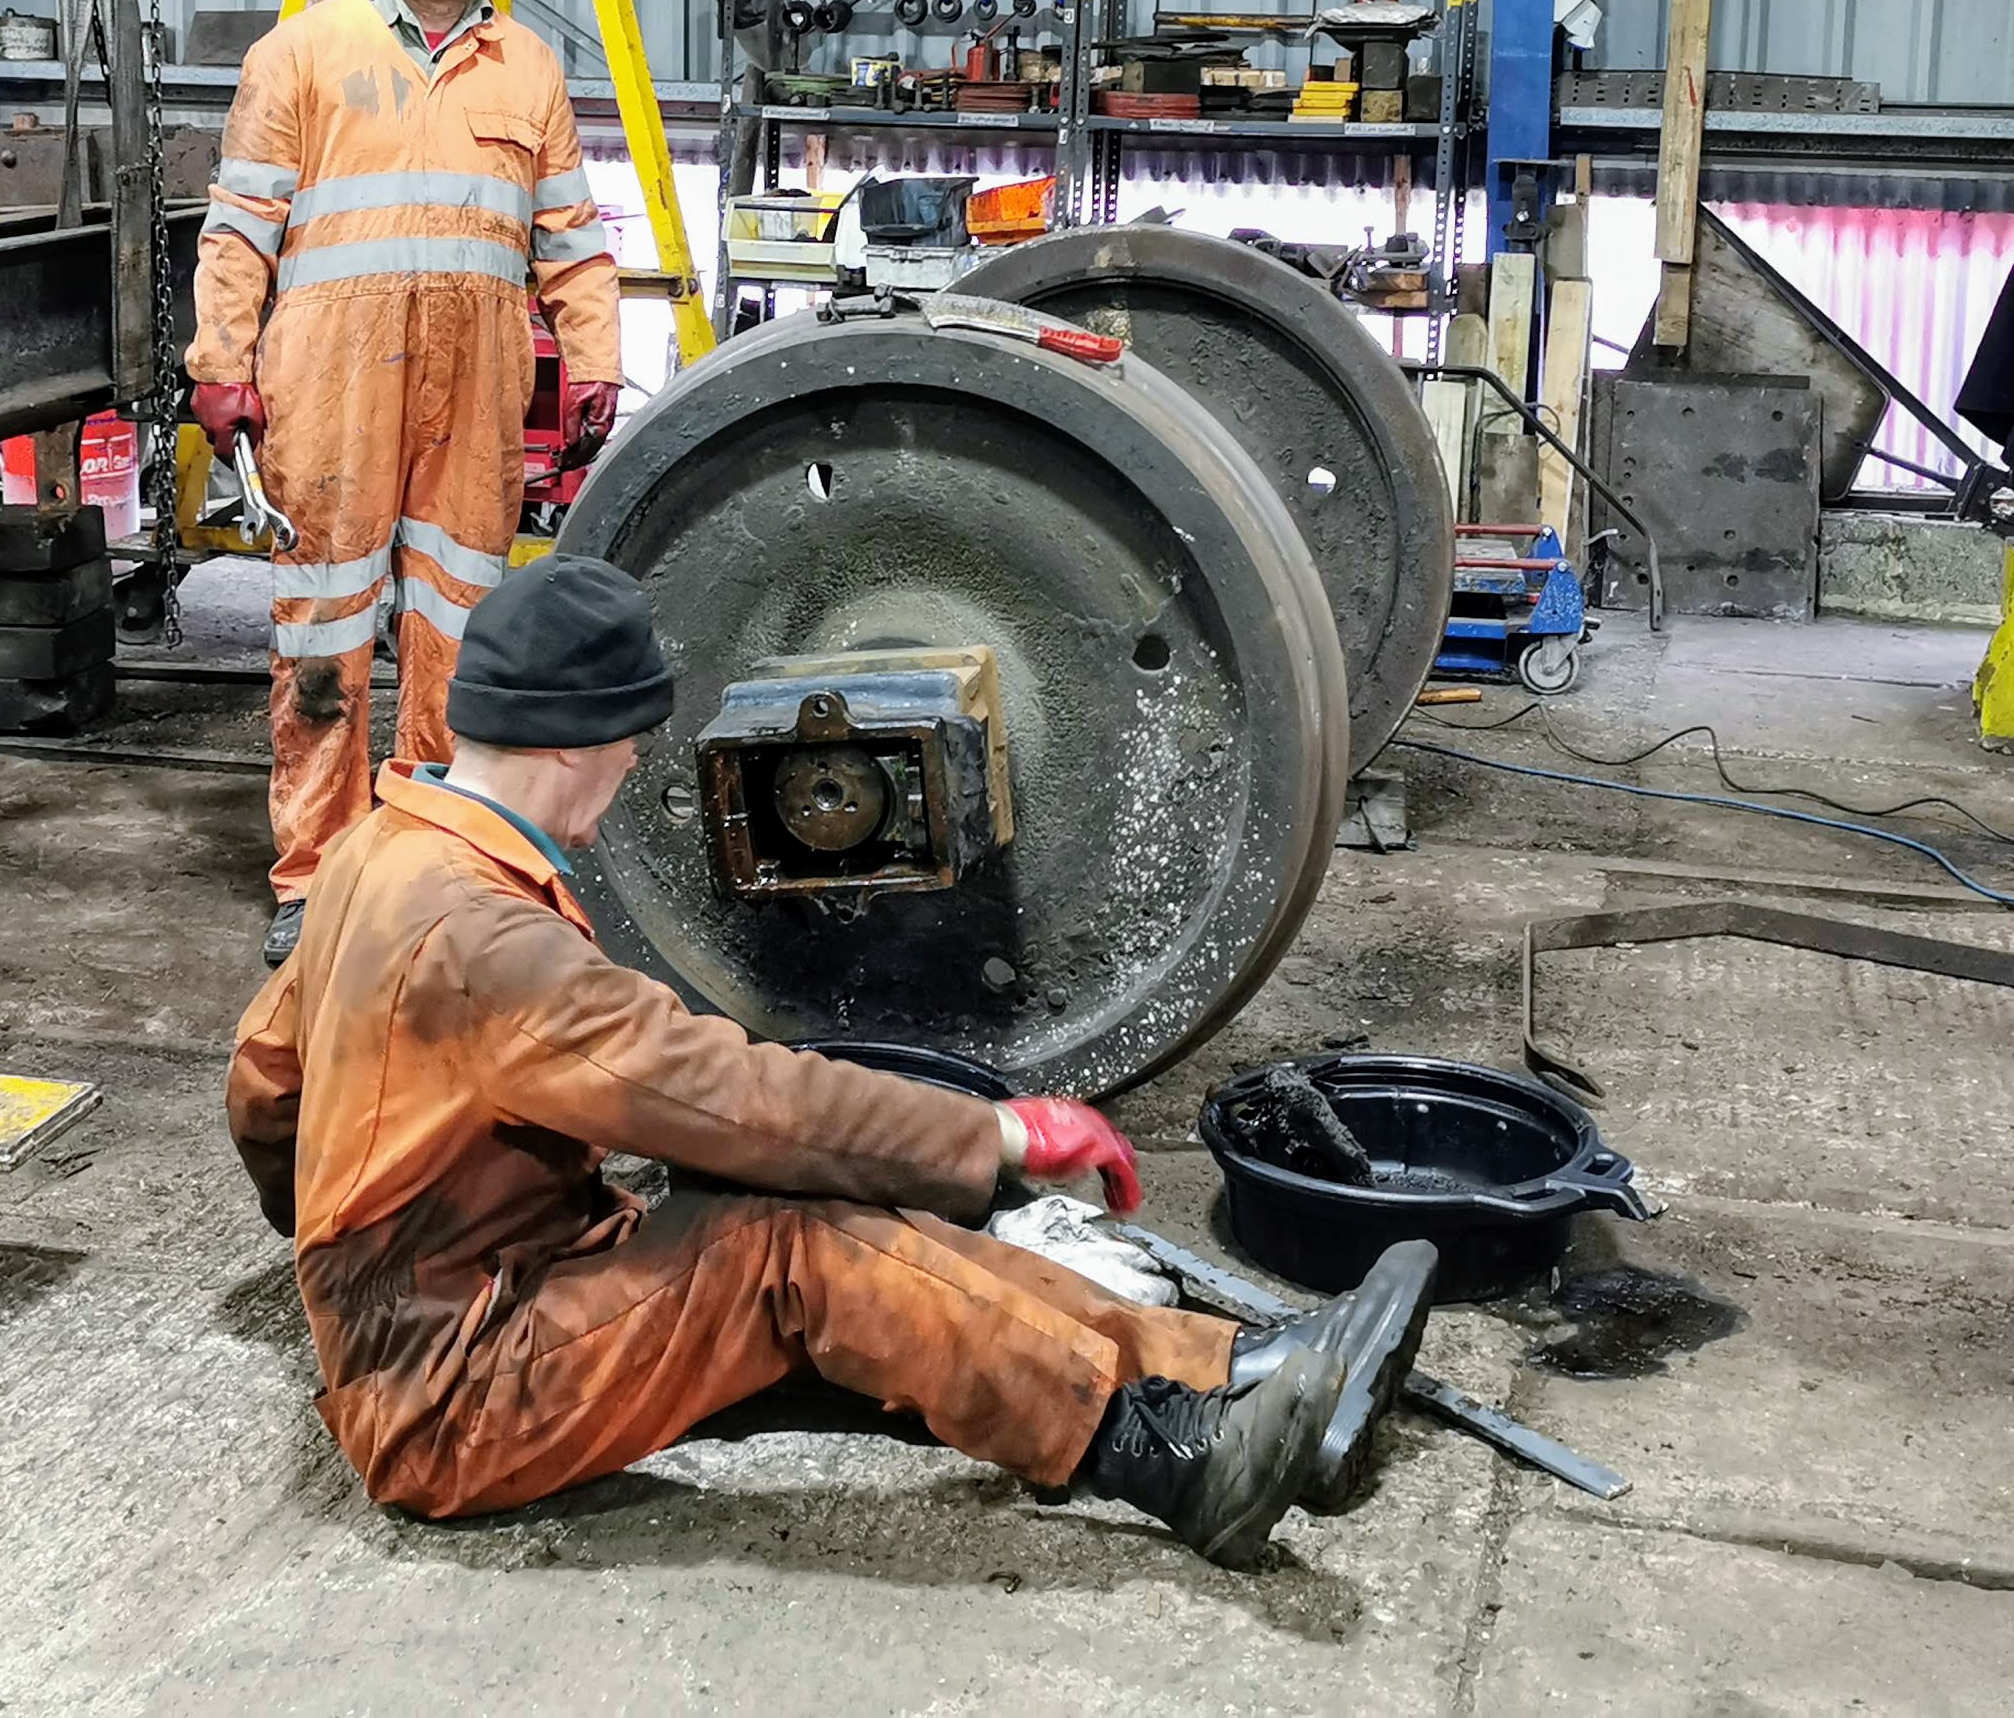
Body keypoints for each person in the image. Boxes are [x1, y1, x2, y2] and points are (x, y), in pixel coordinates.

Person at [228, 555, 1440, 1567]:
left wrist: (356, 1248)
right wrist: (998, 1135)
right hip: (456, 1401)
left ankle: (1235, 1374)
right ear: (572, 738)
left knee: (816, 1223)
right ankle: (1184, 1463)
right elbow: (732, 1098)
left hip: (467, 1327)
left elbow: (264, 1086)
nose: (638, 763)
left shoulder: (383, 854)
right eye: (633, 738)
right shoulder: (478, 935)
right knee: (792, 1246)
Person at [187, 0, 625, 966]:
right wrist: (220, 365)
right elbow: (239, 228)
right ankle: (316, 875)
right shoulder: (300, 54)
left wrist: (594, 359)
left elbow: (572, 239)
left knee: (461, 627)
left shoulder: (528, 68)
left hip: (474, 390)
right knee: (325, 631)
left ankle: (436, 865)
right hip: (329, 384)